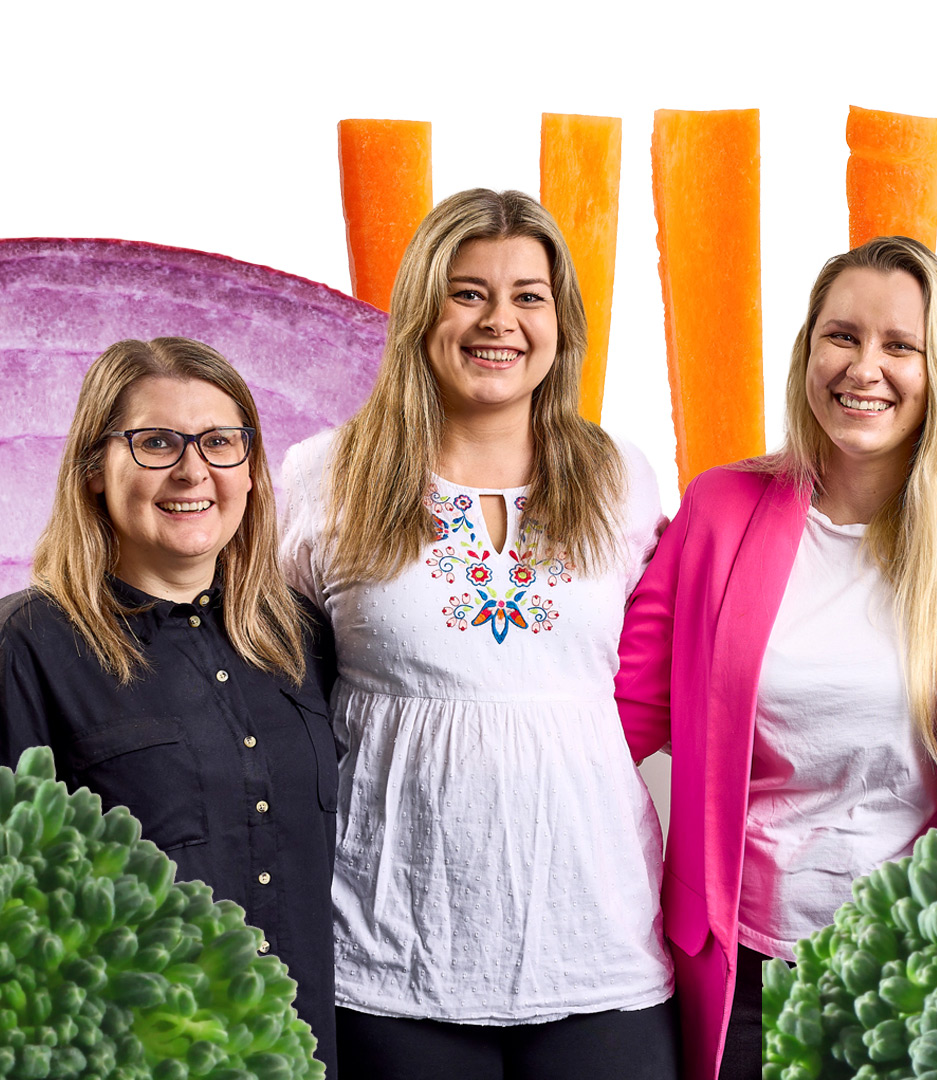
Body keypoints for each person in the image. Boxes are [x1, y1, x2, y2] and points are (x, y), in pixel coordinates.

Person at [615, 235, 937, 1080]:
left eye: (901, 346)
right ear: (808, 349)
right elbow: (620, 718)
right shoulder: (721, 508)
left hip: (936, 964)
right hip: (749, 963)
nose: (865, 368)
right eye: (843, 336)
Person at [280, 188, 675, 1080]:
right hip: (390, 953)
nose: (499, 320)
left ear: (560, 320)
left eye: (528, 296)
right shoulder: (324, 478)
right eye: (468, 291)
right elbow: (265, 686)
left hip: (597, 945)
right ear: (423, 307)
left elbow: (662, 675)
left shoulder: (622, 479)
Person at [0, 337, 338, 1074]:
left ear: (250, 468)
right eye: (156, 442)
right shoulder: (26, 644)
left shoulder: (301, 637)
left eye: (220, 442)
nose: (193, 470)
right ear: (94, 469)